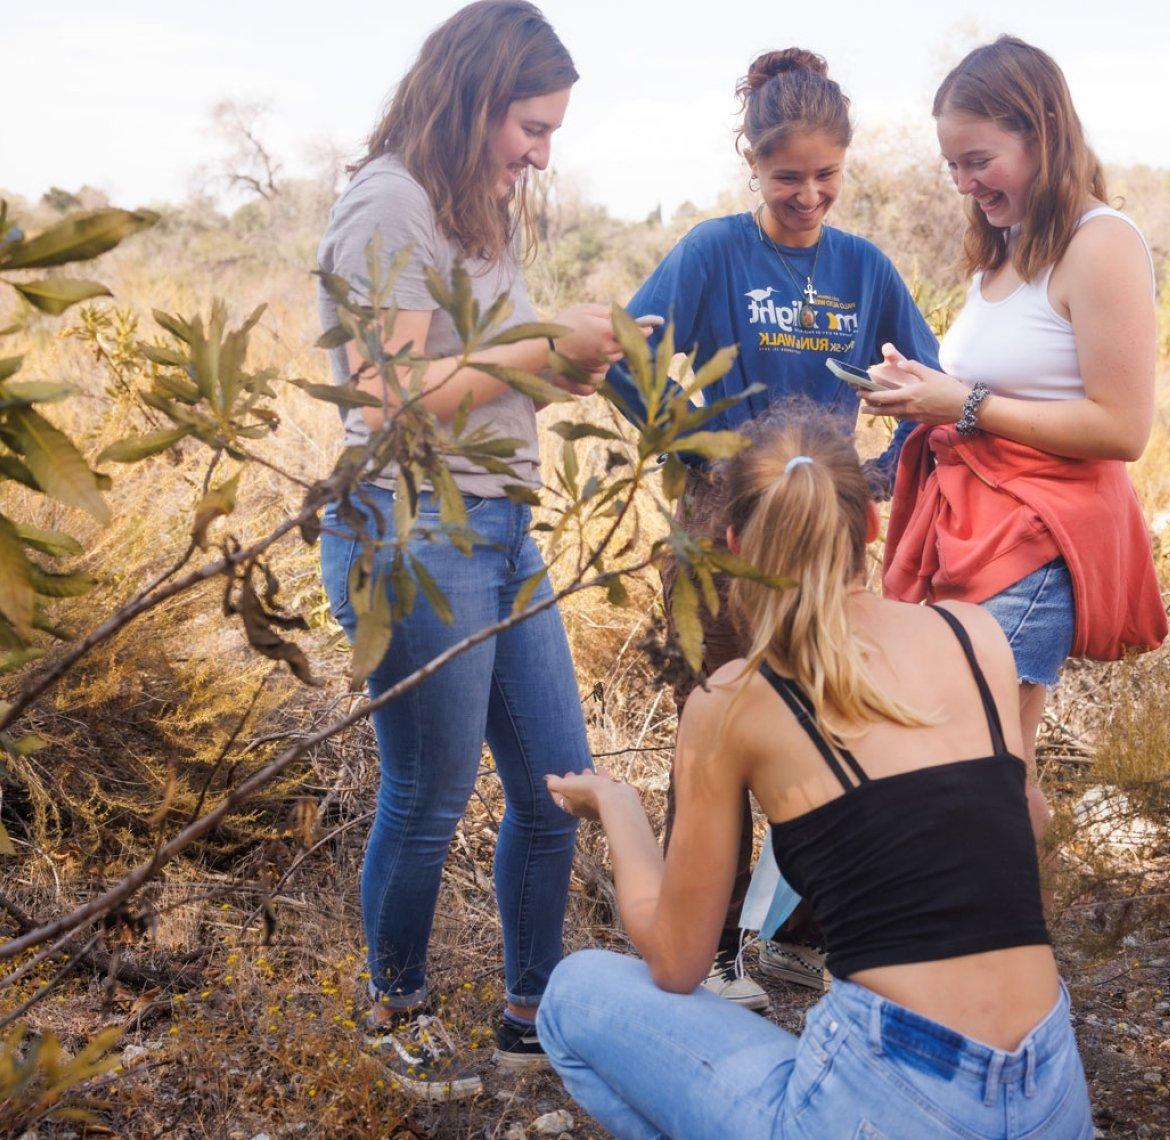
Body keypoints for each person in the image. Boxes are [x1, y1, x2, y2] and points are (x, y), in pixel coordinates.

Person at [536, 412, 1094, 1139]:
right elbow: (1029, 821)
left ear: (733, 547)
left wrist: (616, 806)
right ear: (867, 528)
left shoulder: (734, 700)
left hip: (896, 1096)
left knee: (573, 993)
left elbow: (676, 962)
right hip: (1051, 1082)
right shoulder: (973, 634)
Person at [315, 1, 646, 1100]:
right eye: (530, 128)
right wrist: (537, 344)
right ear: (470, 98)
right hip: (414, 532)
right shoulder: (387, 208)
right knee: (429, 793)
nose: (541, 154)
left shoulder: (478, 206)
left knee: (558, 784)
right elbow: (391, 401)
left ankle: (527, 1013)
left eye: (551, 132)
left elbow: (482, 370)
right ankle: (392, 1015)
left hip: (501, 526)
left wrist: (560, 364)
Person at [604, 47, 942, 1010]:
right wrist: (683, 442)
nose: (809, 196)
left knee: (838, 727)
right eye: (788, 177)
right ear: (751, 163)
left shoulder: (863, 267)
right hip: (721, 542)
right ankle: (706, 953)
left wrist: (877, 472)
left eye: (827, 176)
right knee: (715, 739)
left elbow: (926, 384)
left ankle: (805, 940)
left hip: (828, 547)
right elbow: (630, 351)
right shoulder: (713, 253)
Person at [865, 36, 1168, 786]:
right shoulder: (1005, 247)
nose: (965, 183)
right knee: (973, 761)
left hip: (1035, 540)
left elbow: (1122, 428)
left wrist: (960, 402)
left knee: (982, 765)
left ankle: (1013, 905)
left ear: (1042, 134)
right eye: (953, 166)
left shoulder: (1102, 245)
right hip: (970, 529)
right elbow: (1001, 389)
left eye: (980, 161)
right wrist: (921, 388)